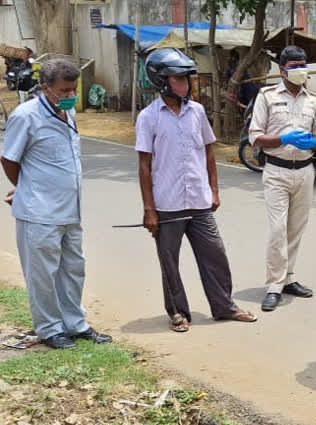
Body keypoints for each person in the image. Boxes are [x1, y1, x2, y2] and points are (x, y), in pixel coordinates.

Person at [136, 48, 256, 333]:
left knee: (215, 254)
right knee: (170, 262)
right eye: (178, 79)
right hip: (167, 205)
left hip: (200, 202)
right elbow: (144, 166)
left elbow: (209, 154)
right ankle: (178, 312)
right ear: (162, 80)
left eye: (186, 79)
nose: (185, 84)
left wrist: (214, 191)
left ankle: (224, 306)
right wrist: (149, 209)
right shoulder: (148, 117)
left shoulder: (197, 111)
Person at [1, 59, 112, 349]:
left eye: (73, 89)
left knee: (73, 269)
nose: (70, 95)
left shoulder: (68, 111)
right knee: (42, 275)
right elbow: (9, 159)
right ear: (45, 88)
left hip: (70, 211)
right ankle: (49, 328)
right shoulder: (26, 116)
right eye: (64, 90)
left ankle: (75, 324)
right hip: (39, 213)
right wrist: (24, 187)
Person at [249, 45, 316, 312]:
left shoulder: (313, 101)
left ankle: (288, 278)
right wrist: (283, 139)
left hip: (305, 170)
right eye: (294, 66)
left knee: (295, 229)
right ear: (282, 70)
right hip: (276, 171)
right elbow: (255, 137)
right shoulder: (267, 97)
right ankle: (273, 285)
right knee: (277, 230)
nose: (300, 70)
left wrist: (314, 142)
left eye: (303, 65)